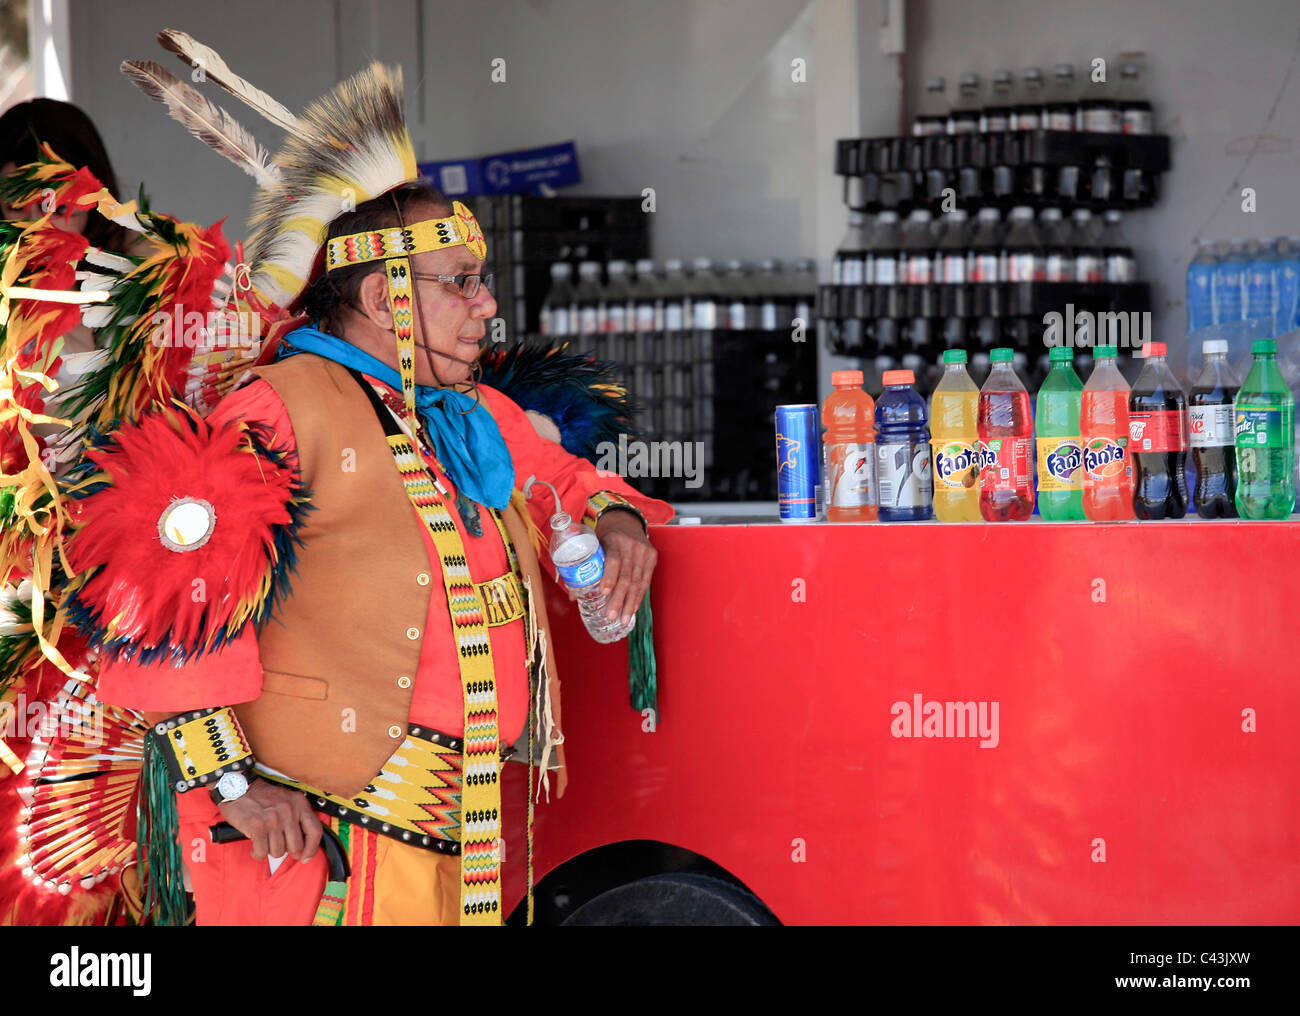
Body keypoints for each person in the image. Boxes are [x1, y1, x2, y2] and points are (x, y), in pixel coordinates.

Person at [83, 52, 673, 926]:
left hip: (458, 829)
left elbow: (564, 480)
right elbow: (162, 599)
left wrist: (619, 522)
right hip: (316, 837)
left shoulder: (469, 411)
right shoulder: (280, 410)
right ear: (383, 294)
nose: (486, 306)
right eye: (461, 284)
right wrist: (232, 784)